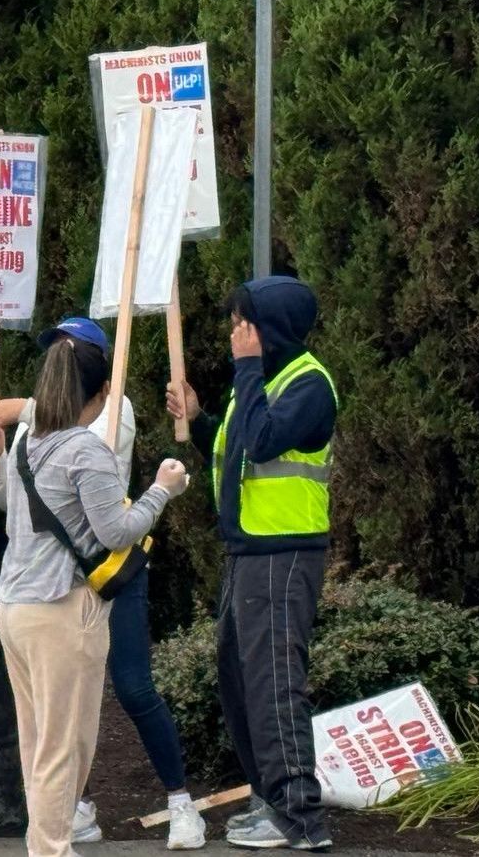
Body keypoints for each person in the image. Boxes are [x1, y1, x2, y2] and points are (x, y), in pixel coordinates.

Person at [0, 318, 205, 850]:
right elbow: (119, 530)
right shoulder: (84, 448)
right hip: (62, 608)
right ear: (103, 390)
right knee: (65, 748)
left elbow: (16, 509)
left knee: (39, 743)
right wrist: (162, 490)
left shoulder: (29, 438)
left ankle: (46, 844)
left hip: (15, 603)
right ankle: (51, 848)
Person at [166, 276, 338, 851]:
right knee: (241, 681)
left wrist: (244, 367)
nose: (236, 333)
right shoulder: (261, 381)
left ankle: (300, 820)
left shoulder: (307, 383)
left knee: (273, 684)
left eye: (246, 322)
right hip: (250, 553)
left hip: (284, 554)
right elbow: (238, 446)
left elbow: (264, 442)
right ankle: (270, 800)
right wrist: (200, 417)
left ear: (274, 327)